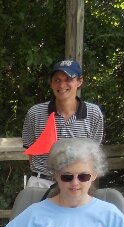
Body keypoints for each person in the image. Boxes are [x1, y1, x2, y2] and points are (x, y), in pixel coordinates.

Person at [23, 59, 104, 189]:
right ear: (51, 84)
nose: (62, 85)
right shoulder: (35, 113)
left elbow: (93, 154)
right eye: (57, 80)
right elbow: (31, 152)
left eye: (68, 79)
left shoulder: (93, 113)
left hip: (77, 184)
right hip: (41, 184)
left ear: (79, 81)